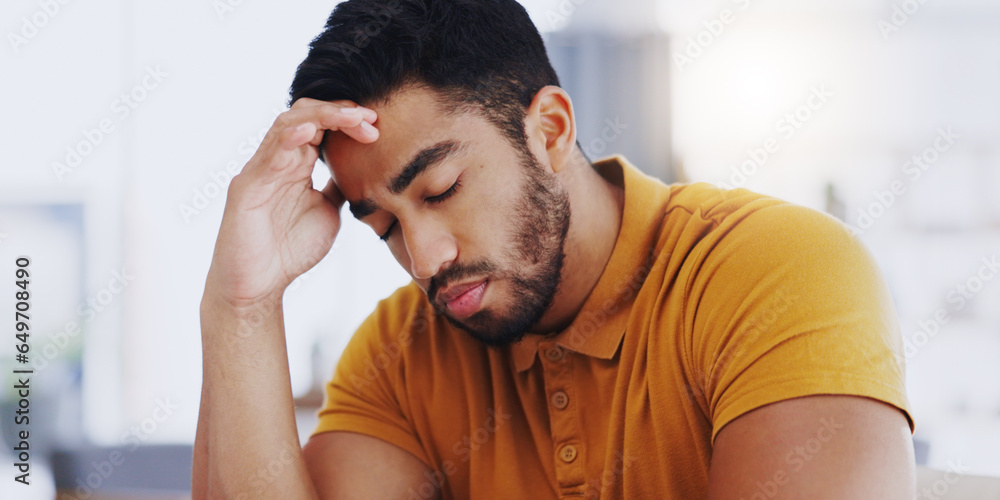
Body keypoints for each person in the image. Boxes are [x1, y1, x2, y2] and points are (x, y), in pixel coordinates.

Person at [193, 0, 916, 498]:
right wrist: (242, 304)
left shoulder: (779, 271)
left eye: (441, 189)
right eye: (382, 226)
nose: (424, 259)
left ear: (550, 129)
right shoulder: (400, 355)